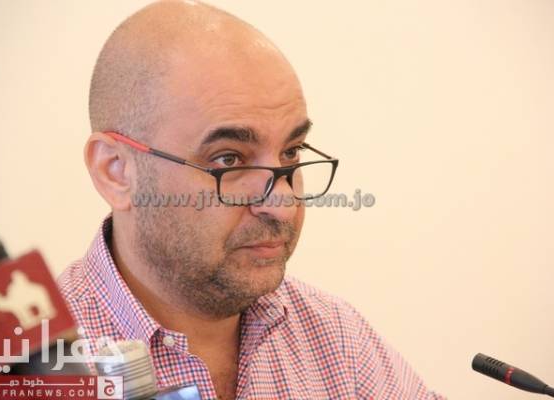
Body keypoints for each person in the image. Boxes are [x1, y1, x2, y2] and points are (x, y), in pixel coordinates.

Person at [58, 1, 446, 399]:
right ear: (116, 171)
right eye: (229, 159)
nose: (282, 204)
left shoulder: (337, 341)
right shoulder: (36, 364)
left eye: (291, 152)